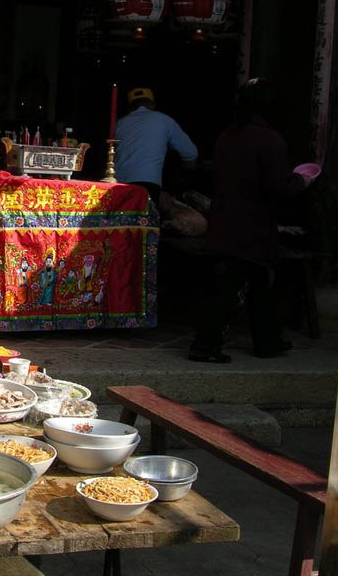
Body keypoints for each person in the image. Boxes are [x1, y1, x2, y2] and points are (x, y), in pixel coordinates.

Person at [189, 78, 314, 363]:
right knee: (237, 288)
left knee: (255, 286)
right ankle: (206, 346)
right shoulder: (269, 139)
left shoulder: (227, 136)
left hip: (225, 222)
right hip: (252, 227)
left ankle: (267, 342)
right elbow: (278, 187)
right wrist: (301, 182)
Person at [113, 87, 198, 204]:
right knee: (143, 221)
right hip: (147, 185)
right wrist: (186, 173)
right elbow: (190, 153)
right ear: (152, 105)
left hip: (117, 184)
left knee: (121, 221)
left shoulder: (120, 123)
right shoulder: (163, 119)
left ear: (129, 108)